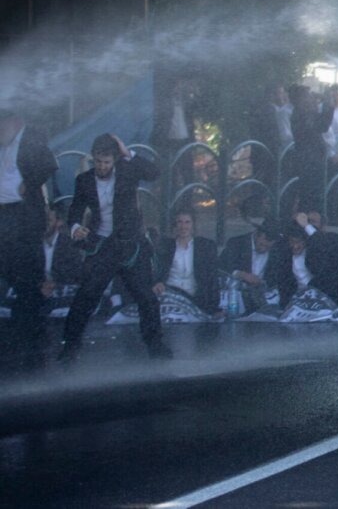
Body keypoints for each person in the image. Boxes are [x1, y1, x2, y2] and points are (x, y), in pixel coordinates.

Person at [61, 134, 171, 362]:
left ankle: (155, 345)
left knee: (146, 297)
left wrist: (127, 152)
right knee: (86, 295)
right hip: (102, 245)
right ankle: (70, 346)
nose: (102, 167)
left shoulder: (127, 171)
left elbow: (154, 173)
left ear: (114, 159)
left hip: (131, 245)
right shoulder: (84, 180)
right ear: (93, 159)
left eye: (107, 162)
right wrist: (75, 228)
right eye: (99, 162)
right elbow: (75, 210)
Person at [0, 109, 58, 368]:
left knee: (29, 272)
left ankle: (34, 330)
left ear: (14, 122)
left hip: (24, 217)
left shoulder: (32, 137)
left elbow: (49, 164)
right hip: (6, 215)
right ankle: (18, 324)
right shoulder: (5, 142)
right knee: (11, 268)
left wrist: (30, 183)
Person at [153, 208, 221, 315]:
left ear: (193, 225)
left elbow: (212, 278)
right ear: (175, 225)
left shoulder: (206, 246)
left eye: (187, 222)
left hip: (195, 299)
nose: (183, 226)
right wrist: (157, 282)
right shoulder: (165, 246)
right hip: (169, 296)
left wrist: (214, 307)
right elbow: (156, 271)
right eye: (179, 222)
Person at [288, 85, 334, 212]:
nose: (311, 98)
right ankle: (305, 220)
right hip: (307, 157)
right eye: (307, 95)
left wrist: (328, 106)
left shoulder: (308, 112)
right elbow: (317, 127)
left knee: (316, 192)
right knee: (308, 192)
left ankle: (313, 218)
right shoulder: (300, 113)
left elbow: (324, 125)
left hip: (315, 157)